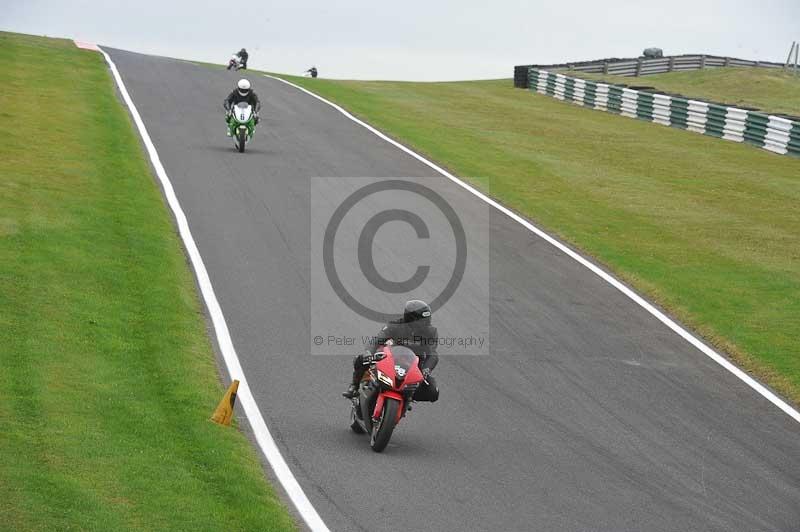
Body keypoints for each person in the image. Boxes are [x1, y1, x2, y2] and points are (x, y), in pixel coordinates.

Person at [343, 300, 439, 402]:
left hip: (414, 366)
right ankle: (354, 386)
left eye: (427, 320)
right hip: (392, 359)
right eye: (422, 321)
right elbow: (377, 340)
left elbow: (432, 353)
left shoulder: (431, 332)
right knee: (360, 359)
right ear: (410, 319)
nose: (425, 323)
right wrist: (369, 352)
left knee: (433, 392)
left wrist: (426, 369)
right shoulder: (395, 325)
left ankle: (408, 397)